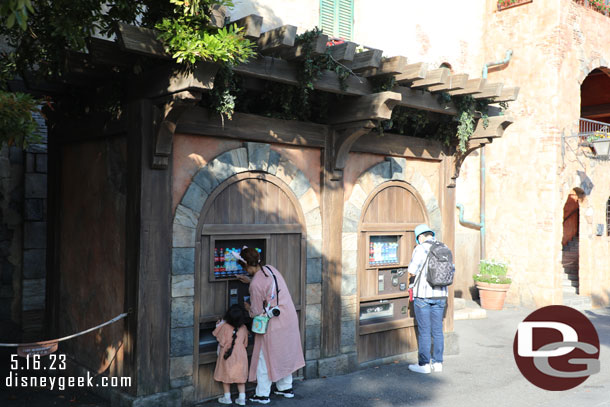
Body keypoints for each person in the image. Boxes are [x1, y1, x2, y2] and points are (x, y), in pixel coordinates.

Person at [235, 247, 305, 404]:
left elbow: (257, 311)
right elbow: (267, 287)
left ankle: (262, 394)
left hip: (272, 323)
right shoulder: (270, 269)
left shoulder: (255, 285)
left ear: (246, 266)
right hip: (288, 317)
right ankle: (286, 388)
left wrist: (248, 308)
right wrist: (251, 281)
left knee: (264, 356)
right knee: (284, 352)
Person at [407, 224, 449, 374]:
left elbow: (412, 270)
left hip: (423, 295)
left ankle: (424, 365)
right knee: (437, 330)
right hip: (441, 295)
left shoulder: (420, 248)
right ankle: (438, 363)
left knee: (424, 331)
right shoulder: (444, 247)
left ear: (420, 236)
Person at [213, 304, 249, 405]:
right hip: (240, 355)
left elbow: (220, 340)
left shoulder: (224, 327)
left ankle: (227, 397)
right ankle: (242, 398)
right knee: (241, 377)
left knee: (226, 376)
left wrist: (218, 325)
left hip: (227, 354)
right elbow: (245, 343)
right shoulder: (244, 328)